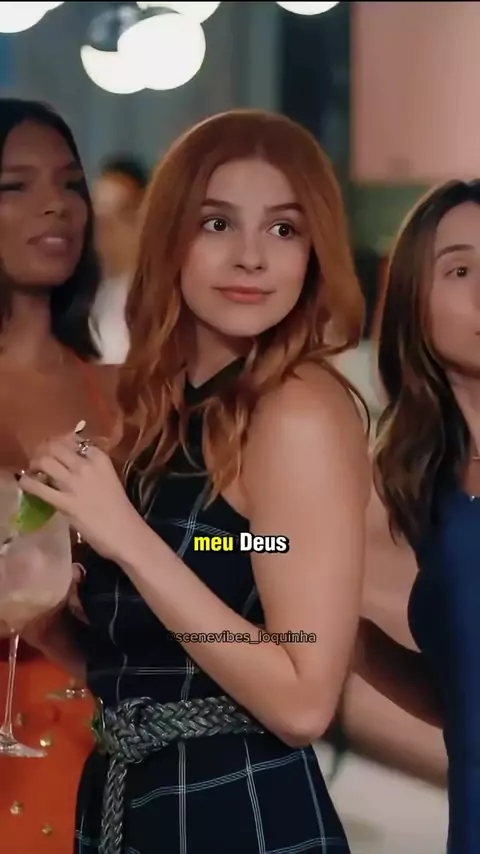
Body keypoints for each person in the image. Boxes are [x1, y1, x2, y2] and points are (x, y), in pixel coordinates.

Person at [20, 109, 370, 854]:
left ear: (314, 252)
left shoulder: (297, 410)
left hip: (240, 814)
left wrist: (127, 537)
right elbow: (153, 672)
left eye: (284, 229)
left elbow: (304, 702)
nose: (251, 257)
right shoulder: (166, 409)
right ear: (169, 238)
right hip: (128, 804)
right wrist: (44, 619)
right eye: (217, 224)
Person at [0, 98, 118, 854]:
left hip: (99, 737)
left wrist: (281, 550)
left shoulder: (125, 393)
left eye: (71, 183)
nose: (56, 204)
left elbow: (212, 546)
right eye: (14, 185)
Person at [354, 179, 480, 854]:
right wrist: (345, 636)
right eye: (460, 270)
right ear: (412, 300)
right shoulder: (424, 477)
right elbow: (458, 700)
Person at [90, 155, 149, 364]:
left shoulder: (166, 302)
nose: (106, 229)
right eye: (99, 217)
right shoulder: (84, 303)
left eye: (120, 215)